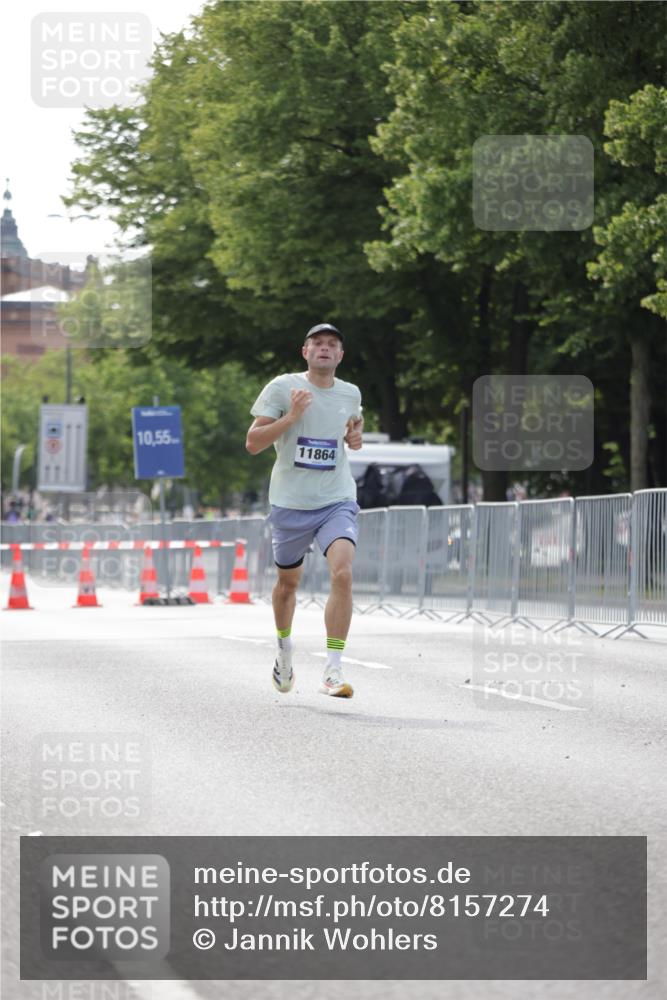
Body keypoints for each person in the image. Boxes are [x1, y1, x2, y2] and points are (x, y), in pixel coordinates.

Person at [246, 323, 364, 698]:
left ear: (341, 355)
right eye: (318, 344)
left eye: (333, 344)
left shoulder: (350, 393)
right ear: (305, 352)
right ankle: (284, 650)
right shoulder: (283, 387)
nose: (325, 349)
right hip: (290, 503)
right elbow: (252, 443)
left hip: (336, 498)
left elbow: (352, 430)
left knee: (342, 573)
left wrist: (354, 436)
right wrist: (292, 417)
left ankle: (333, 669)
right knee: (287, 585)